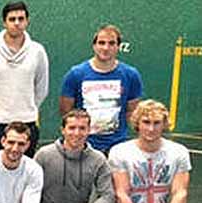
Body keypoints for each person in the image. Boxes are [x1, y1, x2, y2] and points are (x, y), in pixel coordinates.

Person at [0, 1, 49, 158]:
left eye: (21, 19)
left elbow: (41, 88)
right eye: (12, 19)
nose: (17, 23)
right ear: (4, 22)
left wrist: (25, 109)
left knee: (23, 174)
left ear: (27, 21)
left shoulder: (38, 52)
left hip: (26, 124)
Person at [60, 24, 143, 154]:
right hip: (85, 146)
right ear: (94, 46)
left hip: (117, 146)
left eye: (111, 43)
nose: (106, 48)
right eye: (101, 43)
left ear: (118, 47)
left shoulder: (131, 75)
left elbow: (132, 112)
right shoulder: (76, 74)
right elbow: (66, 111)